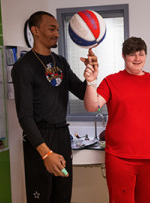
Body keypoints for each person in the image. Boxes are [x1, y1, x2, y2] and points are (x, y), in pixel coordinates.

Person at [83, 36, 150, 203]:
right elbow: (92, 106)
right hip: (119, 158)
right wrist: (91, 83)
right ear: (123, 56)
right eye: (132, 54)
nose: (137, 59)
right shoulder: (111, 81)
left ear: (146, 56)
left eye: (141, 54)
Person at [11, 11, 94, 203]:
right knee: (41, 197)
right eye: (51, 28)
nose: (57, 33)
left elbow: (82, 92)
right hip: (39, 140)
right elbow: (24, 116)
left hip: (62, 137)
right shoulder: (24, 67)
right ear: (35, 30)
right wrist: (46, 153)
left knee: (63, 196)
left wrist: (90, 76)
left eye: (57, 29)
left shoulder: (61, 62)